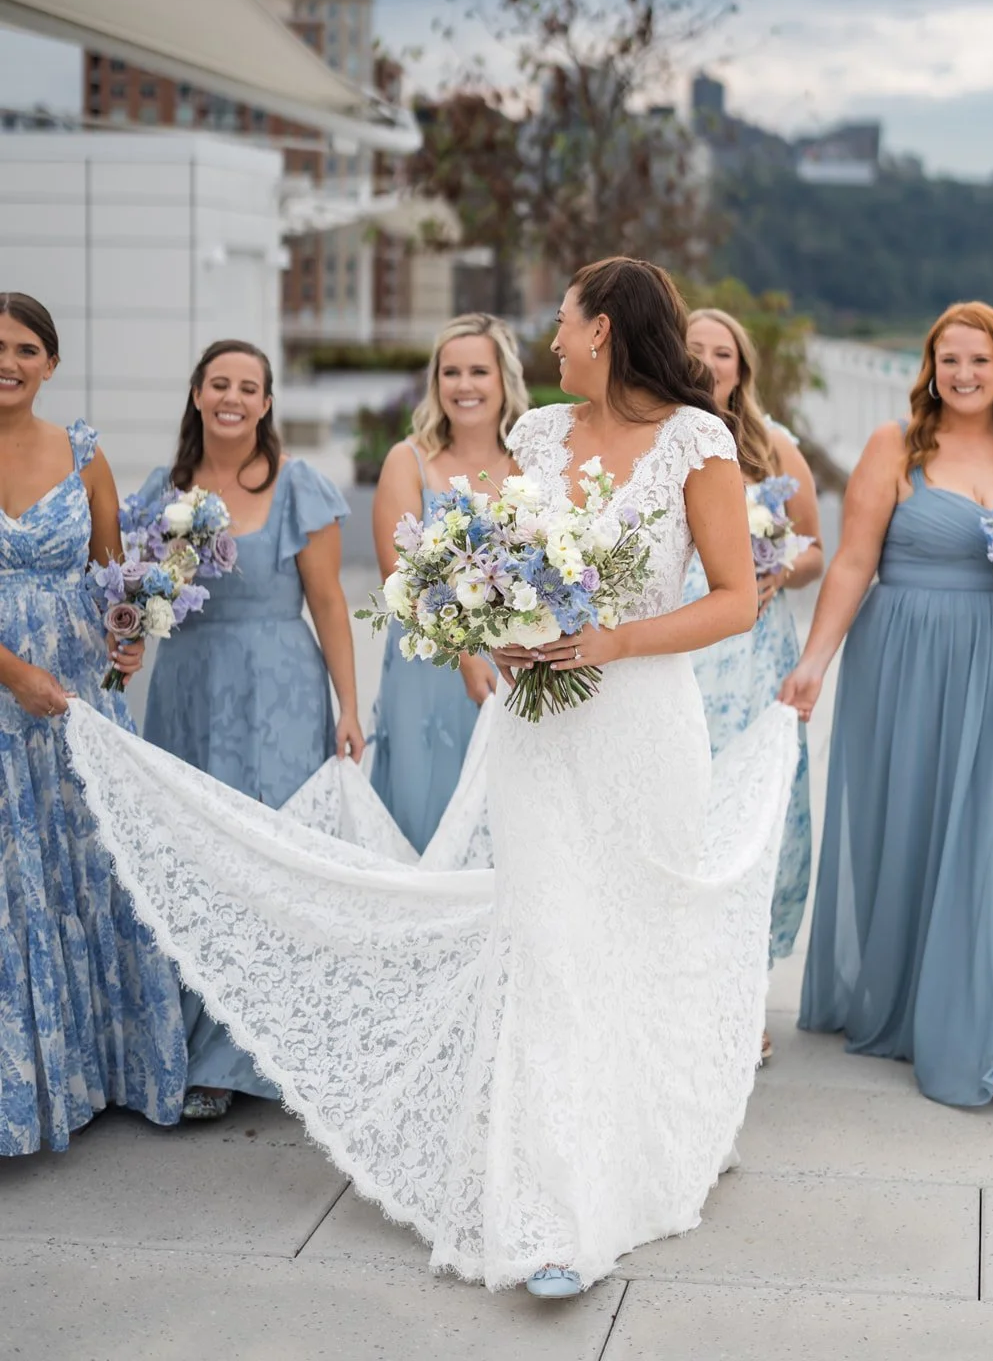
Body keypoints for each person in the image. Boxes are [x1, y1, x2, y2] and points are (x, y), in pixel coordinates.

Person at [63, 256, 798, 1296]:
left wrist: (614, 641)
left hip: (643, 727)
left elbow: (733, 599)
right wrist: (492, 622)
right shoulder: (539, 435)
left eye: (565, 322)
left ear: (606, 331)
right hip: (540, 725)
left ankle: (650, 1141)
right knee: (546, 941)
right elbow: (504, 561)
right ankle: (551, 1213)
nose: (552, 340)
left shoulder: (698, 441)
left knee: (641, 935)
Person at [783, 300, 993, 1109]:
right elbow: (853, 563)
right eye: (948, 360)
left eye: (979, 361)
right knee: (915, 829)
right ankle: (919, 1004)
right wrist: (814, 663)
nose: (963, 374)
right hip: (907, 662)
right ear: (929, 369)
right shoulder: (895, 446)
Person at [140, 339, 362, 1121]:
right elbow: (139, 593)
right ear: (198, 394)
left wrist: (349, 705)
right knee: (193, 857)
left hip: (279, 688)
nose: (232, 397)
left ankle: (249, 1055)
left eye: (248, 387)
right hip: (189, 686)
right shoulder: (163, 490)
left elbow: (328, 602)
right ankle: (194, 1045)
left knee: (271, 856)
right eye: (219, 384)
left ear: (266, 403)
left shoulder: (298, 486)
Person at [0, 291, 185, 1153]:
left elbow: (113, 577)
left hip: (79, 694)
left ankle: (107, 1074)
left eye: (24, 348)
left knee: (93, 862)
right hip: (11, 693)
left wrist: (128, 635)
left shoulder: (83, 453)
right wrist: (16, 676)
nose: (7, 361)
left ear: (51, 363)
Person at [685, 309, 823, 1063]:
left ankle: (745, 995)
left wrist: (779, 567)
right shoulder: (655, 437)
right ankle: (679, 989)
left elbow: (816, 551)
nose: (709, 363)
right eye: (695, 350)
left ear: (742, 369)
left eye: (724, 353)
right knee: (684, 816)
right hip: (680, 652)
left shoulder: (773, 447)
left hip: (756, 654)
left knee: (757, 821)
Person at [370, 314, 527, 852]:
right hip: (429, 665)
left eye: (478, 371)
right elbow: (399, 579)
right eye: (450, 372)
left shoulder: (530, 465)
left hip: (511, 667)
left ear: (504, 379)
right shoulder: (409, 461)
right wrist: (464, 657)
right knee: (426, 812)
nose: (464, 385)